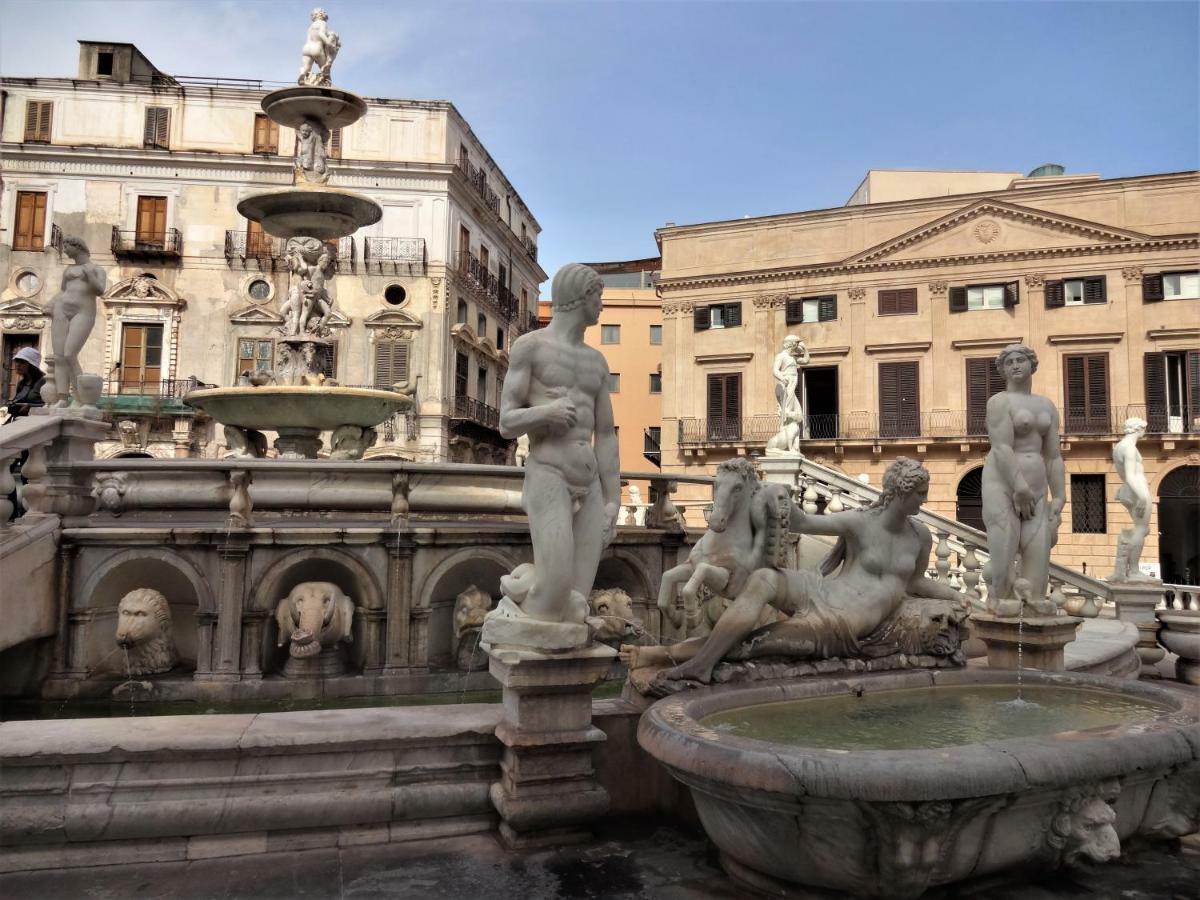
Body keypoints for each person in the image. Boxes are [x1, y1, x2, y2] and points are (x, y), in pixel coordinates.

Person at [631, 458, 962, 684]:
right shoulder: (861, 522)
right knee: (763, 579)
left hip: (845, 622)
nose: (925, 498)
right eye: (920, 493)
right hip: (821, 590)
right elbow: (805, 522)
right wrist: (777, 495)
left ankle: (665, 655)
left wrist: (955, 596)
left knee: (758, 642)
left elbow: (917, 582)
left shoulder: (920, 536)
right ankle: (697, 664)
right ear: (900, 493)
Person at [496, 263, 621, 624]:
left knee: (577, 600)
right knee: (554, 592)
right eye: (598, 297)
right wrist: (545, 413)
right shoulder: (530, 348)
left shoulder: (596, 362)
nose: (601, 305)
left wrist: (613, 500)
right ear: (579, 298)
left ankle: (564, 668)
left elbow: (607, 434)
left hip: (591, 486)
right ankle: (516, 597)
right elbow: (506, 422)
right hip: (549, 474)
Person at [981, 344, 1065, 610]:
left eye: (1020, 360)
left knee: (1038, 559)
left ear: (1032, 365)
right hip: (1003, 485)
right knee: (1003, 553)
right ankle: (1001, 607)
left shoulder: (1047, 405)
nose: (1015, 365)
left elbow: (1053, 456)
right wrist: (1019, 486)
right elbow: (1001, 447)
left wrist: (1060, 495)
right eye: (1009, 362)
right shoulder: (999, 402)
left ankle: (1034, 612)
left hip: (1038, 489)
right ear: (1003, 370)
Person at [49, 236, 106, 407]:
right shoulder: (67, 271)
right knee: (59, 357)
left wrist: (90, 276)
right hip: (61, 309)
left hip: (84, 311)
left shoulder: (96, 269)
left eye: (67, 246)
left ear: (78, 246)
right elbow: (63, 291)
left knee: (69, 354)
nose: (64, 249)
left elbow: (100, 290)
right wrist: (50, 303)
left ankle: (81, 397)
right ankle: (62, 398)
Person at [1111, 417, 1153, 582]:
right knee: (1141, 529)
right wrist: (1142, 496)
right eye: (1143, 429)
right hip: (1137, 490)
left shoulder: (1119, 447)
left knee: (1141, 529)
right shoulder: (1128, 448)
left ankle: (1122, 569)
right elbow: (1130, 475)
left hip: (1128, 490)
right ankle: (1134, 571)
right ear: (1137, 429)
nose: (1144, 432)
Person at [772, 335, 810, 430]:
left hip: (792, 385)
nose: (798, 346)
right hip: (786, 385)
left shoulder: (793, 358)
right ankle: (785, 431)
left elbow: (806, 360)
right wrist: (782, 378)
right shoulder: (781, 356)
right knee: (787, 411)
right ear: (792, 344)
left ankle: (789, 432)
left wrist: (805, 349)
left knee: (798, 414)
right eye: (797, 343)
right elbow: (775, 370)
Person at [5, 346, 47, 419]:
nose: (17, 364)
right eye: (17, 361)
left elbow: (50, 405)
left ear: (32, 365)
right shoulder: (22, 383)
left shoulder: (44, 381)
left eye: (22, 362)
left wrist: (31, 407)